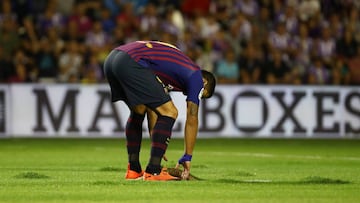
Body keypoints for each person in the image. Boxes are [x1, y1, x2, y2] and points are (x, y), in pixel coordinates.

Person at [103, 41, 216, 181]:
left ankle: (134, 170)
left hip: (113, 59)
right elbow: (192, 117)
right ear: (204, 83)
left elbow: (153, 107)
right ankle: (154, 171)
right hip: (132, 61)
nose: (195, 95)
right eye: (202, 94)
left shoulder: (172, 70)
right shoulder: (196, 76)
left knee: (139, 109)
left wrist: (157, 140)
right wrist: (188, 155)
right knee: (171, 112)